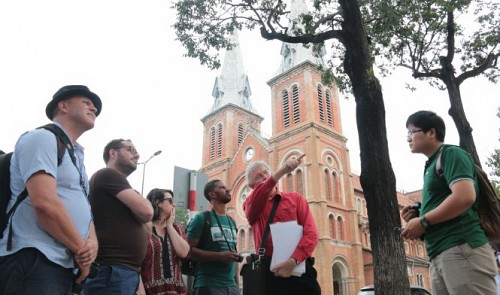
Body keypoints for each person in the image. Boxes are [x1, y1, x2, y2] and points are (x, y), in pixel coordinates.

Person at [0, 85, 101, 294]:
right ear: (63, 106)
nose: (94, 107)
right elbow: (45, 203)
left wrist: (92, 245)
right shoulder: (42, 138)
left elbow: (84, 210)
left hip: (61, 263)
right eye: (86, 101)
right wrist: (82, 251)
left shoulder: (77, 157)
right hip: (33, 258)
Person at [401, 110, 497, 295]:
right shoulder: (431, 165)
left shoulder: (451, 154)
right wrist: (419, 215)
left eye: (412, 132)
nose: (408, 138)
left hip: (462, 248)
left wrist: (423, 221)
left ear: (431, 132)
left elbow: (464, 197)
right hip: (440, 253)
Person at [84, 139, 154, 295]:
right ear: (113, 153)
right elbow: (147, 212)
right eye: (131, 149)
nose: (137, 155)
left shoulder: (122, 188)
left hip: (124, 273)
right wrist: (139, 207)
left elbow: (148, 231)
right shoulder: (107, 174)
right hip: (111, 272)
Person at [243, 155, 321, 295]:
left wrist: (293, 261)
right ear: (251, 186)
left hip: (299, 269)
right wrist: (282, 170)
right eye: (259, 176)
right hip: (269, 274)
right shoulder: (251, 205)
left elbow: (311, 234)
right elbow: (261, 193)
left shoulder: (296, 199)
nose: (265, 177)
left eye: (266, 172)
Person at [186, 179, 240, 295]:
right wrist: (219, 256)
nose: (228, 189)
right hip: (208, 285)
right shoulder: (201, 219)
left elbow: (234, 253)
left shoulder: (232, 222)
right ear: (212, 194)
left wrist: (237, 284)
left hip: (232, 287)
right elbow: (187, 251)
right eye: (222, 187)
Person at [140, 188, 190, 295]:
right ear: (158, 202)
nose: (174, 205)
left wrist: (170, 226)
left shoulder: (177, 229)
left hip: (176, 290)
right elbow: (137, 263)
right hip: (150, 289)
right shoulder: (144, 228)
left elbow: (184, 253)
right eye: (170, 201)